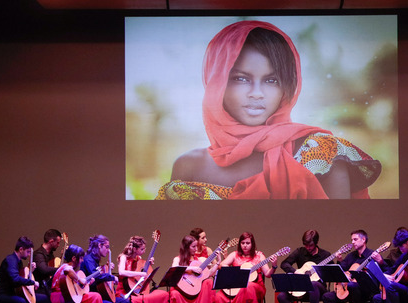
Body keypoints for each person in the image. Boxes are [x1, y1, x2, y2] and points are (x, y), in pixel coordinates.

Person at [156, 20, 381, 200]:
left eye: (271, 80)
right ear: (216, 83)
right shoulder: (188, 166)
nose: (256, 93)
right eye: (241, 79)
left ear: (287, 87)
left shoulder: (323, 152)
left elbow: (341, 239)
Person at [214, 232, 278, 303]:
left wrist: (274, 266)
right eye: (242, 243)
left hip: (256, 287)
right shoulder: (234, 255)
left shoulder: (259, 255)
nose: (245, 245)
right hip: (237, 286)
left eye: (248, 243)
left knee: (249, 286)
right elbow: (221, 265)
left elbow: (268, 274)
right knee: (218, 296)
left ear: (252, 244)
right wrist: (233, 270)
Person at [323, 230, 385, 303]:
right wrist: (342, 268)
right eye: (352, 240)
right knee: (327, 296)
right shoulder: (351, 256)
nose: (352, 242)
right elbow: (340, 270)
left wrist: (380, 261)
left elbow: (383, 271)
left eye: (355, 239)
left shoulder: (372, 254)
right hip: (348, 291)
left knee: (353, 285)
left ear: (363, 239)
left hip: (366, 293)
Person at [277, 229, 333, 303]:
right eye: (306, 245)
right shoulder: (300, 252)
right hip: (302, 287)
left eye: (310, 245)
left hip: (319, 290)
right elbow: (284, 264)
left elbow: (333, 273)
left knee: (313, 284)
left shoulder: (325, 255)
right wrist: (295, 271)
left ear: (316, 243)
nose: (308, 248)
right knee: (281, 296)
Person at [82, 235, 132, 303]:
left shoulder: (95, 260)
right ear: (100, 246)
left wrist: (106, 268)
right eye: (107, 247)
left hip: (100, 294)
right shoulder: (88, 259)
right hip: (91, 296)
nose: (108, 250)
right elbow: (96, 276)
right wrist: (112, 277)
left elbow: (99, 274)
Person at [117, 235, 170, 303]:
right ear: (134, 249)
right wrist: (140, 274)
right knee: (138, 302)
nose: (144, 251)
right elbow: (121, 272)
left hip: (135, 289)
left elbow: (141, 276)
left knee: (160, 296)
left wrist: (148, 265)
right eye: (142, 249)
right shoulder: (123, 257)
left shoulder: (138, 258)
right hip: (124, 292)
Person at [169, 235, 221, 303]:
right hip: (182, 291)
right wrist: (191, 269)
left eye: (196, 246)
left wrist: (218, 262)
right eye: (193, 247)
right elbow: (175, 268)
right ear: (186, 247)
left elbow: (208, 274)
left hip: (195, 291)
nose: (196, 249)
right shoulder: (177, 259)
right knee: (174, 293)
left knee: (209, 282)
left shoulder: (199, 260)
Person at [33, 228, 63, 303]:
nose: (58, 245)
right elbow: (44, 270)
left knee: (56, 294)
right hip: (39, 288)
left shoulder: (50, 255)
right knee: (47, 297)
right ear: (51, 241)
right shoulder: (38, 254)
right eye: (58, 242)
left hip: (47, 287)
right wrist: (61, 269)